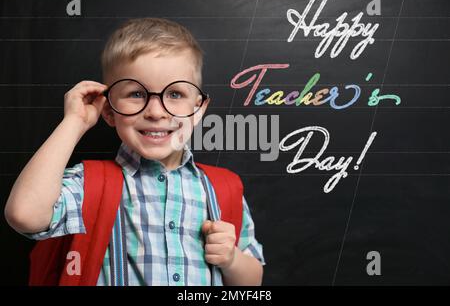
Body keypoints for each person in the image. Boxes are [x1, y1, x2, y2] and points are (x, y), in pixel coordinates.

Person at [4, 17, 265, 286]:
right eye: (136, 94)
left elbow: (252, 282)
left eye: (175, 94)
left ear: (198, 110)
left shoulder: (224, 188)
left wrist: (231, 259)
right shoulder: (90, 185)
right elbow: (24, 215)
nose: (155, 112)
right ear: (108, 110)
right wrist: (74, 122)